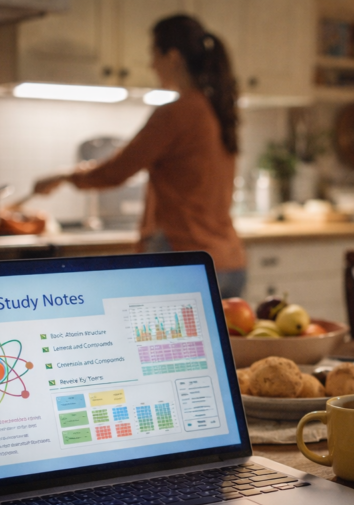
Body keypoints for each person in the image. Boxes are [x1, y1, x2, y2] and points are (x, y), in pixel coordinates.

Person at [32, 14, 247, 298]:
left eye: (153, 54)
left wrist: (63, 175)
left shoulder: (176, 113)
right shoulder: (216, 109)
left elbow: (116, 170)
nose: (150, 64)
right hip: (229, 262)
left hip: (185, 260)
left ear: (172, 56)